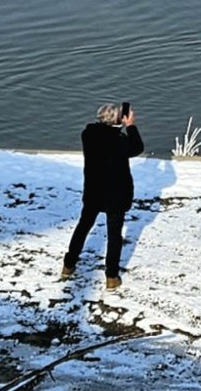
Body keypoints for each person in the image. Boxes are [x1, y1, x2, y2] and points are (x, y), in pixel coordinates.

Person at [61, 100, 144, 287]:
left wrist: (118, 126)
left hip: (93, 191)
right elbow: (137, 147)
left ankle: (68, 265)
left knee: (83, 227)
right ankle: (112, 277)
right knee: (114, 235)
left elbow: (107, 136)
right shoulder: (119, 140)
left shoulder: (88, 135)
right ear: (117, 120)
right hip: (115, 194)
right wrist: (130, 126)